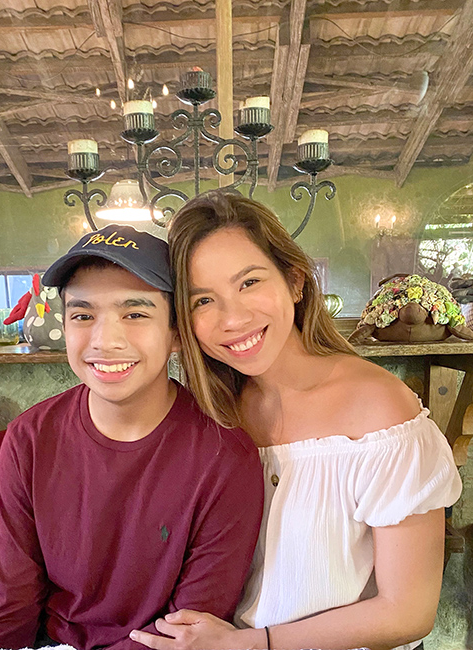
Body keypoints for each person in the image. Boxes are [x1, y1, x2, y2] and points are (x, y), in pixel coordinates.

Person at [127, 191, 462, 650]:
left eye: (249, 282)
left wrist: (252, 643)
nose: (233, 318)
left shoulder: (381, 411)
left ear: (296, 280)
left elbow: (407, 612)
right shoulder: (210, 413)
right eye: (203, 300)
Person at [0, 222, 264, 650]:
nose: (105, 341)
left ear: (176, 333)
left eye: (135, 314)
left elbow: (191, 626)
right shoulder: (29, 438)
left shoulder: (225, 456)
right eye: (83, 315)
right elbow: (10, 602)